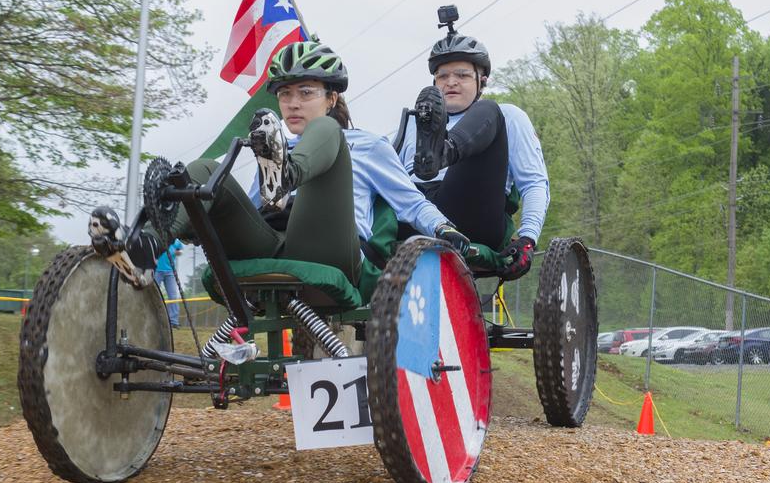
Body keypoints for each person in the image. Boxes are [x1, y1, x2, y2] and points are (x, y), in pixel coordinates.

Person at [89, 40, 469, 286]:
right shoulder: (270, 143)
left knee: (326, 134)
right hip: (273, 238)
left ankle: (290, 175)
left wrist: (445, 228)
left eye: (306, 92)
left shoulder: (367, 145)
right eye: (285, 94)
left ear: (332, 98)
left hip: (336, 246)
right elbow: (256, 209)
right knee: (205, 170)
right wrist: (207, 217)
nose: (293, 103)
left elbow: (411, 202)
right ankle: (147, 248)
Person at [393, 17, 550, 280]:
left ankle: (445, 150)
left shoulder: (508, 116)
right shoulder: (411, 122)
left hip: (471, 212)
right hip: (414, 210)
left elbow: (534, 182)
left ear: (482, 81)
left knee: (490, 111)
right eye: (442, 76)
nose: (450, 82)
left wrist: (528, 238)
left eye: (462, 75)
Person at [154, 239, 184, 327]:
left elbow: (181, 250)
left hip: (170, 271)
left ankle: (173, 321)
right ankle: (155, 318)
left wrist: (178, 252)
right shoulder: (157, 238)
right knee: (154, 295)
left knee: (173, 296)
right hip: (156, 270)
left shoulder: (175, 240)